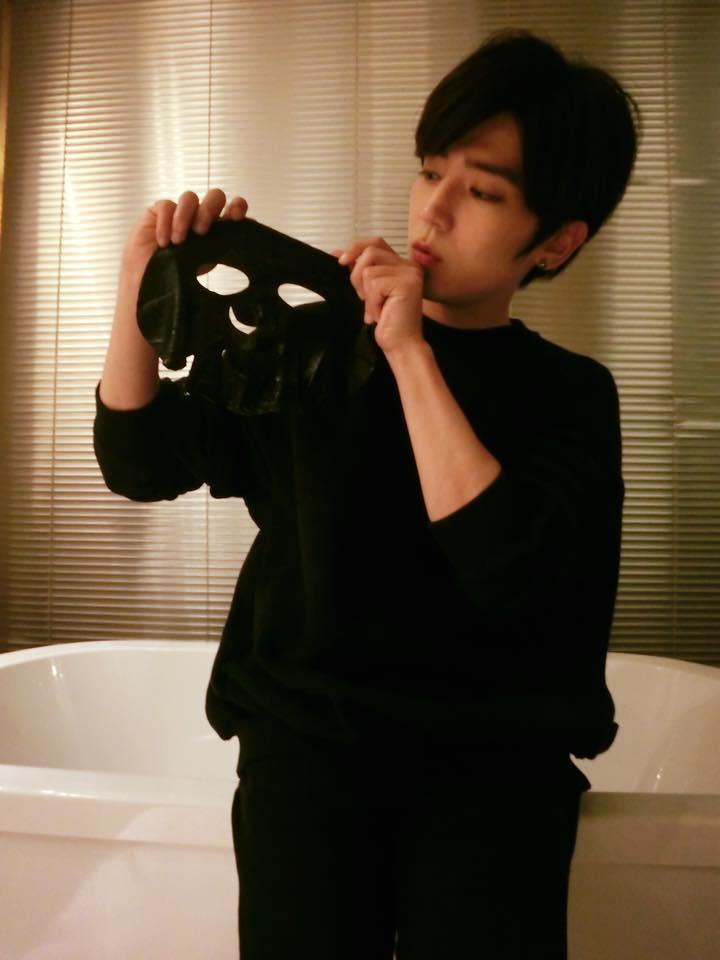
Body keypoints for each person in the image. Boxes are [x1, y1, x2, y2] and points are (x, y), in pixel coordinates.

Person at [94, 27, 639, 960]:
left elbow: (508, 565)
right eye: (430, 172)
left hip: (494, 766)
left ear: (555, 242)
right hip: (308, 744)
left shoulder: (571, 397)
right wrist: (138, 283)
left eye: (482, 192)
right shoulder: (316, 341)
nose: (433, 210)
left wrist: (408, 355)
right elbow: (140, 462)